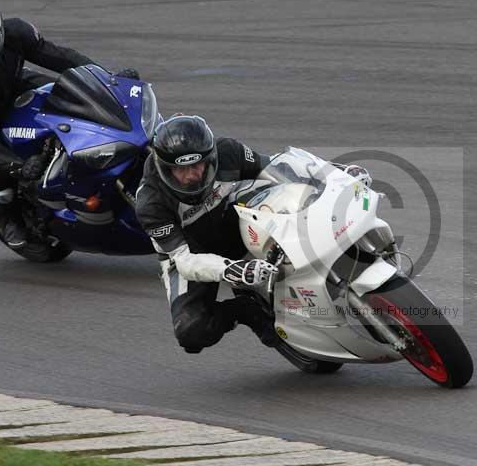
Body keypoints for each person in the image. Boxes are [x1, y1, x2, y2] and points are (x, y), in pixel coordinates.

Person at [136, 115, 372, 354]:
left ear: (210, 157)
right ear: (165, 168)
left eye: (197, 166)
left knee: (284, 192)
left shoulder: (227, 150)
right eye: (180, 169)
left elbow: (279, 166)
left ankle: (328, 254)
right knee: (191, 332)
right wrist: (231, 269)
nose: (191, 176)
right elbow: (185, 262)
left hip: (232, 218)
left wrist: (334, 174)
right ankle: (245, 308)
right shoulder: (151, 203)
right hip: (190, 251)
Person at [0, 0, 137, 249]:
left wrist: (108, 81)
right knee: (0, 176)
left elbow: (61, 57)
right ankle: (6, 217)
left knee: (74, 95)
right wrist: (17, 166)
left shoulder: (16, 33)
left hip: (14, 86)